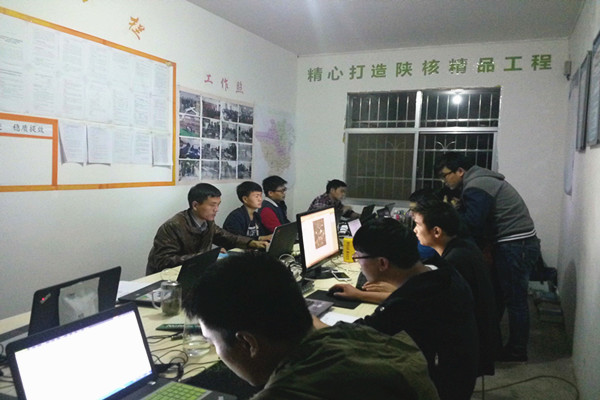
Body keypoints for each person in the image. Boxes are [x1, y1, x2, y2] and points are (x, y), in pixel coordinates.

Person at [182, 252, 440, 400]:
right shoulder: (361, 338)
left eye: (212, 341)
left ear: (247, 343)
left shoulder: (291, 393)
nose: (217, 352)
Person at [317, 218, 478, 400]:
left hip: (437, 390)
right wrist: (363, 295)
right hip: (458, 378)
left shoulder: (411, 302)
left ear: (382, 263)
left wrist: (309, 318)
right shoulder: (441, 272)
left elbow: (354, 335)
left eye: (359, 258)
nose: (358, 263)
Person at [435, 152, 541, 362]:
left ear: (460, 171)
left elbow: (472, 223)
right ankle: (493, 343)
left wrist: (450, 214)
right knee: (499, 296)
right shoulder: (479, 180)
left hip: (515, 245)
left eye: (445, 175)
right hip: (515, 243)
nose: (444, 181)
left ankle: (517, 351)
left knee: (515, 301)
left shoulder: (477, 185)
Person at [412, 200, 500, 377]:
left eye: (418, 225)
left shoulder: (455, 261)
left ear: (436, 231)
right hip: (476, 339)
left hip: (464, 349)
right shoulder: (463, 246)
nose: (414, 230)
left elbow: (430, 305)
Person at [146, 183, 268, 275]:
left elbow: (227, 237)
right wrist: (206, 256)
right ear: (195, 205)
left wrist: (252, 243)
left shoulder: (208, 222)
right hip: (167, 279)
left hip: (195, 272)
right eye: (212, 205)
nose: (216, 209)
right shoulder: (173, 226)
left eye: (218, 205)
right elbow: (163, 261)